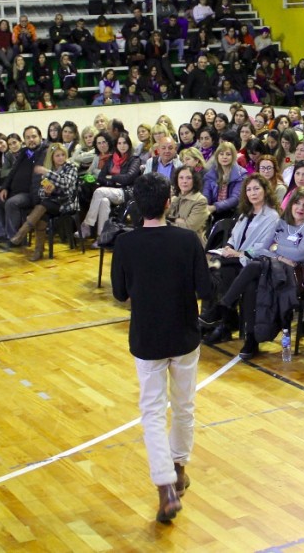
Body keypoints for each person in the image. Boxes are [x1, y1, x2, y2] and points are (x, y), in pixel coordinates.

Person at [111, 172, 210, 524]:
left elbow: (120, 293)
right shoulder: (187, 241)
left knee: (152, 413)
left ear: (138, 206)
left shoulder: (125, 244)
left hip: (147, 338)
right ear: (169, 203)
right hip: (183, 335)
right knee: (184, 407)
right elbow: (204, 288)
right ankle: (179, 467)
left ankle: (166, 487)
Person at [213, 187, 304, 360]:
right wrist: (281, 255)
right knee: (252, 282)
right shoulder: (281, 223)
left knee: (253, 269)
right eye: (297, 203)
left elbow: (300, 254)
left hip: (297, 279)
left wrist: (276, 248)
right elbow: (263, 248)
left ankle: (225, 307)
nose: (300, 208)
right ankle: (251, 339)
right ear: (291, 205)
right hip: (274, 271)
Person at [199, 174, 283, 345]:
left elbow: (265, 245)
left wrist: (240, 254)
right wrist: (229, 247)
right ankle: (222, 320)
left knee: (222, 266)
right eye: (249, 189)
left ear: (266, 191)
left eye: (257, 189)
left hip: (255, 260)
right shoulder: (246, 213)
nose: (253, 193)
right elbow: (234, 235)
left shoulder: (272, 216)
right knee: (212, 265)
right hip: (235, 257)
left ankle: (220, 319)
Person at [8, 142, 78, 260]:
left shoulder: (71, 167)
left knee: (43, 206)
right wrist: (46, 191)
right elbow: (40, 191)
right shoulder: (49, 169)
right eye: (57, 155)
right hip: (50, 203)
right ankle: (38, 250)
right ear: (52, 157)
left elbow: (66, 183)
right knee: (42, 212)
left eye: (62, 155)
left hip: (66, 202)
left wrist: (47, 173)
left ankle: (21, 233)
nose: (61, 158)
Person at [0, 126, 47, 245]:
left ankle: (15, 238)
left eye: (34, 136)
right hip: (15, 190)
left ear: (40, 137)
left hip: (31, 193)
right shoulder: (25, 151)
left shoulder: (45, 151)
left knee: (11, 202)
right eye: (28, 137)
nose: (31, 140)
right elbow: (13, 171)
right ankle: (0, 234)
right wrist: (5, 187)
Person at [167, 166, 210, 245]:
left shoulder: (200, 200)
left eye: (188, 178)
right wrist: (179, 220)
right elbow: (164, 216)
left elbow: (190, 227)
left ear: (194, 180)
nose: (184, 181)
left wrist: (172, 220)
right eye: (181, 178)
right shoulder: (175, 198)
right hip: (174, 238)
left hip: (192, 243)